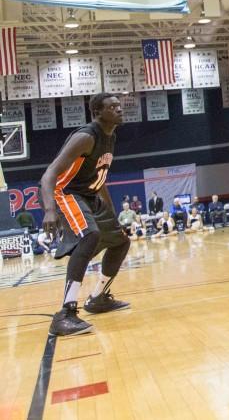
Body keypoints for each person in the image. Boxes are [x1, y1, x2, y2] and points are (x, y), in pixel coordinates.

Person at [39, 93, 131, 337]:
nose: (119, 109)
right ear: (98, 113)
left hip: (89, 196)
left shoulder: (110, 136)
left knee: (120, 241)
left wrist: (110, 213)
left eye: (119, 105)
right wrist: (49, 210)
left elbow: (99, 179)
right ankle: (65, 314)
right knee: (89, 236)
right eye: (113, 107)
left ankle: (98, 298)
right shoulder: (86, 137)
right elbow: (50, 173)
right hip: (64, 193)